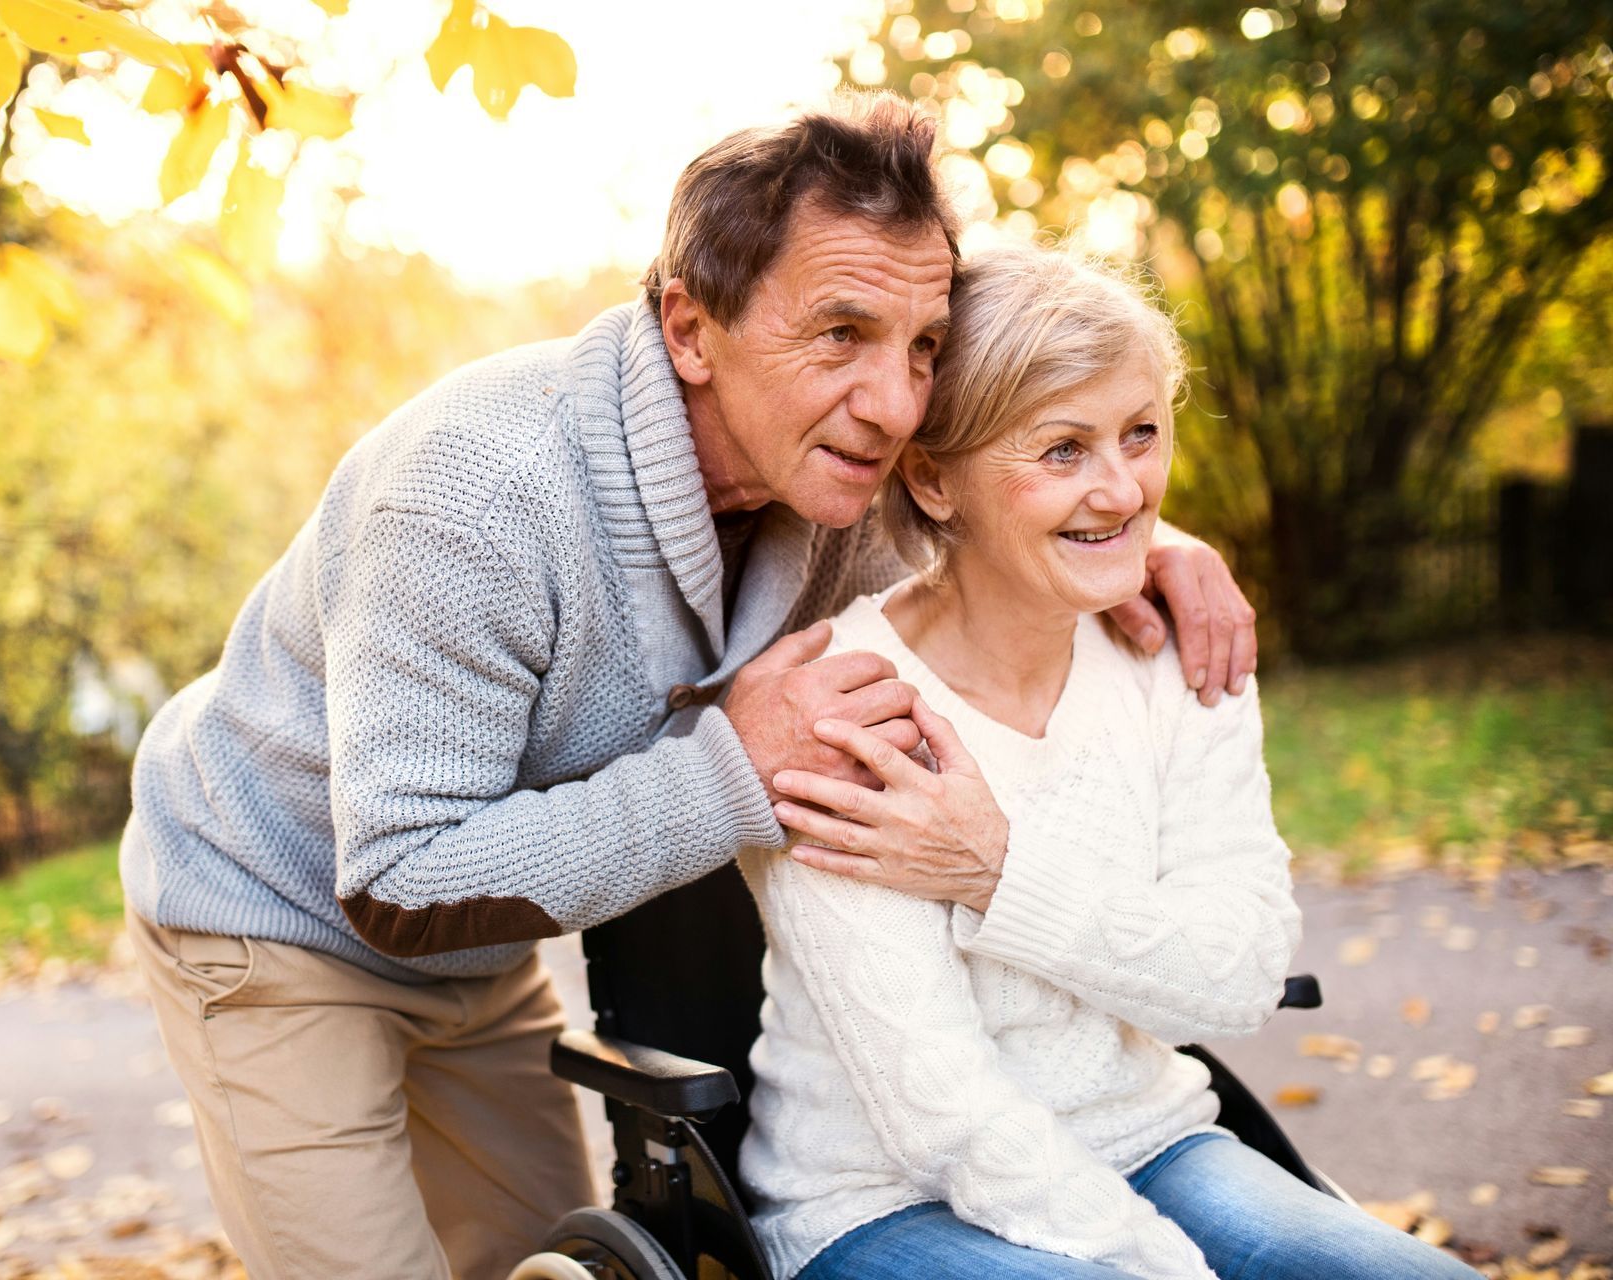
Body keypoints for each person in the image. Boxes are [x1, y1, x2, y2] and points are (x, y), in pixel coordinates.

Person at [119, 95, 1259, 1280]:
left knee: (541, 1262)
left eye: (921, 345)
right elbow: (400, 879)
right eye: (839, 333)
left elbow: (1011, 481)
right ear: (690, 327)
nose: (895, 402)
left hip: (481, 945)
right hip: (273, 911)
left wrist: (1153, 544)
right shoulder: (475, 496)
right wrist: (732, 766)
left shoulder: (828, 466)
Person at [738, 241, 1478, 1280]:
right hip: (883, 1200)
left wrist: (1001, 871)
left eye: (1141, 433)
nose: (1124, 488)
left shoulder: (1186, 652)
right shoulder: (844, 710)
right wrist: (1167, 1265)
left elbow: (1237, 979)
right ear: (935, 479)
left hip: (1150, 1142)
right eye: (1063, 449)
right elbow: (940, 1111)